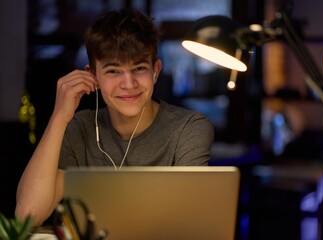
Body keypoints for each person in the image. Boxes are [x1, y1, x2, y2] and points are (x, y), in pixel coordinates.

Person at [15, 8, 214, 226]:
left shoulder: (189, 128)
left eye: (139, 68)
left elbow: (187, 221)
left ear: (155, 70)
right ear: (93, 75)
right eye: (113, 71)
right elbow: (28, 216)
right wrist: (59, 118)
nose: (129, 84)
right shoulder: (79, 128)